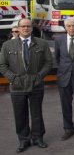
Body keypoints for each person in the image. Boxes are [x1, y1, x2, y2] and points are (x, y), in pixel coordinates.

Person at [0, 19, 52, 153]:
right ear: (18, 28)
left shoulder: (42, 43)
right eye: (23, 26)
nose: (26, 28)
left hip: (36, 85)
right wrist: (13, 78)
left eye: (28, 26)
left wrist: (39, 76)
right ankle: (23, 139)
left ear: (31, 28)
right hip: (17, 86)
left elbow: (48, 63)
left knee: (36, 113)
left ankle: (38, 137)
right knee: (20, 115)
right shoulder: (8, 45)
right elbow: (2, 65)